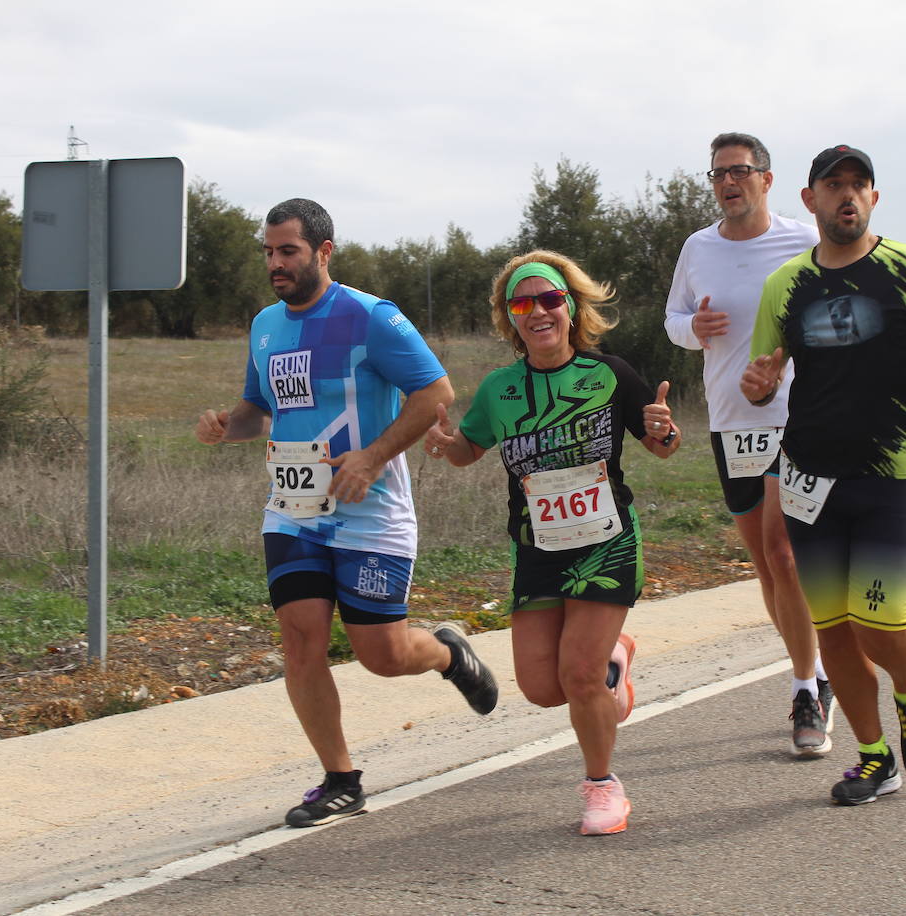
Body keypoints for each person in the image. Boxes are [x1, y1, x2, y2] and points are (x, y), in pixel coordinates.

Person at [194, 198, 498, 828]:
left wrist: (374, 456)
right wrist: (227, 426)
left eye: (289, 251)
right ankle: (340, 779)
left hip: (371, 511)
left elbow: (435, 394)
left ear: (323, 252)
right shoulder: (265, 326)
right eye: (269, 252)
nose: (276, 264)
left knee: (380, 655)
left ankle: (445, 652)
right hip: (294, 510)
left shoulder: (369, 317)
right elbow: (257, 409)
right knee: (300, 639)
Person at [741, 146, 906, 805]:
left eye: (859, 186)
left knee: (879, 623)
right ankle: (875, 759)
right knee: (834, 632)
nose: (847, 196)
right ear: (810, 200)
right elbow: (764, 377)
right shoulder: (787, 285)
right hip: (810, 481)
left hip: (894, 474)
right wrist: (760, 385)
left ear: (873, 200)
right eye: (835, 186)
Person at [424, 250, 680, 835]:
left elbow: (660, 444)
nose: (538, 312)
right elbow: (470, 449)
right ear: (509, 318)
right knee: (544, 688)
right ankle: (615, 659)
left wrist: (665, 429)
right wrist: (446, 445)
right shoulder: (499, 389)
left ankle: (602, 787)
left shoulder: (609, 373)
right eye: (522, 303)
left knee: (580, 676)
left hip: (605, 540)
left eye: (549, 299)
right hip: (536, 548)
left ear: (570, 308)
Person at [663, 131, 834, 758]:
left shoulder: (801, 240)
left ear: (765, 178)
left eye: (738, 171)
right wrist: (693, 328)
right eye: (717, 174)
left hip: (798, 416)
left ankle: (804, 689)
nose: (727, 183)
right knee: (765, 564)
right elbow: (673, 320)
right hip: (732, 423)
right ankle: (817, 669)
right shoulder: (698, 248)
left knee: (782, 552)